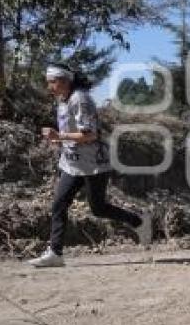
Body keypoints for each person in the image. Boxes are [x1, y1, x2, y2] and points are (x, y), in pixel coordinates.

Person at [28, 63, 153, 268]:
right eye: (48, 82)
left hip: (94, 163)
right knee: (59, 204)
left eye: (52, 82)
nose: (49, 86)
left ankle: (138, 221)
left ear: (65, 81)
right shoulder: (62, 100)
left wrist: (59, 136)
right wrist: (59, 140)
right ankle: (55, 253)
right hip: (71, 164)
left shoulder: (80, 99)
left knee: (98, 208)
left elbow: (90, 134)